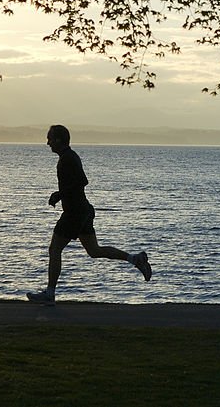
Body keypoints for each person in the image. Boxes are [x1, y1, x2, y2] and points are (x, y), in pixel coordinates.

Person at [27, 125, 151, 305]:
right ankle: (135, 259)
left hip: (74, 213)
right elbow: (79, 182)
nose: (47, 143)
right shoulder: (68, 157)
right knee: (94, 251)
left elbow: (82, 181)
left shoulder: (67, 159)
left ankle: (50, 294)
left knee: (54, 249)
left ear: (59, 140)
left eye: (50, 139)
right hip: (83, 210)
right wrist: (60, 194)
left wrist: (59, 194)